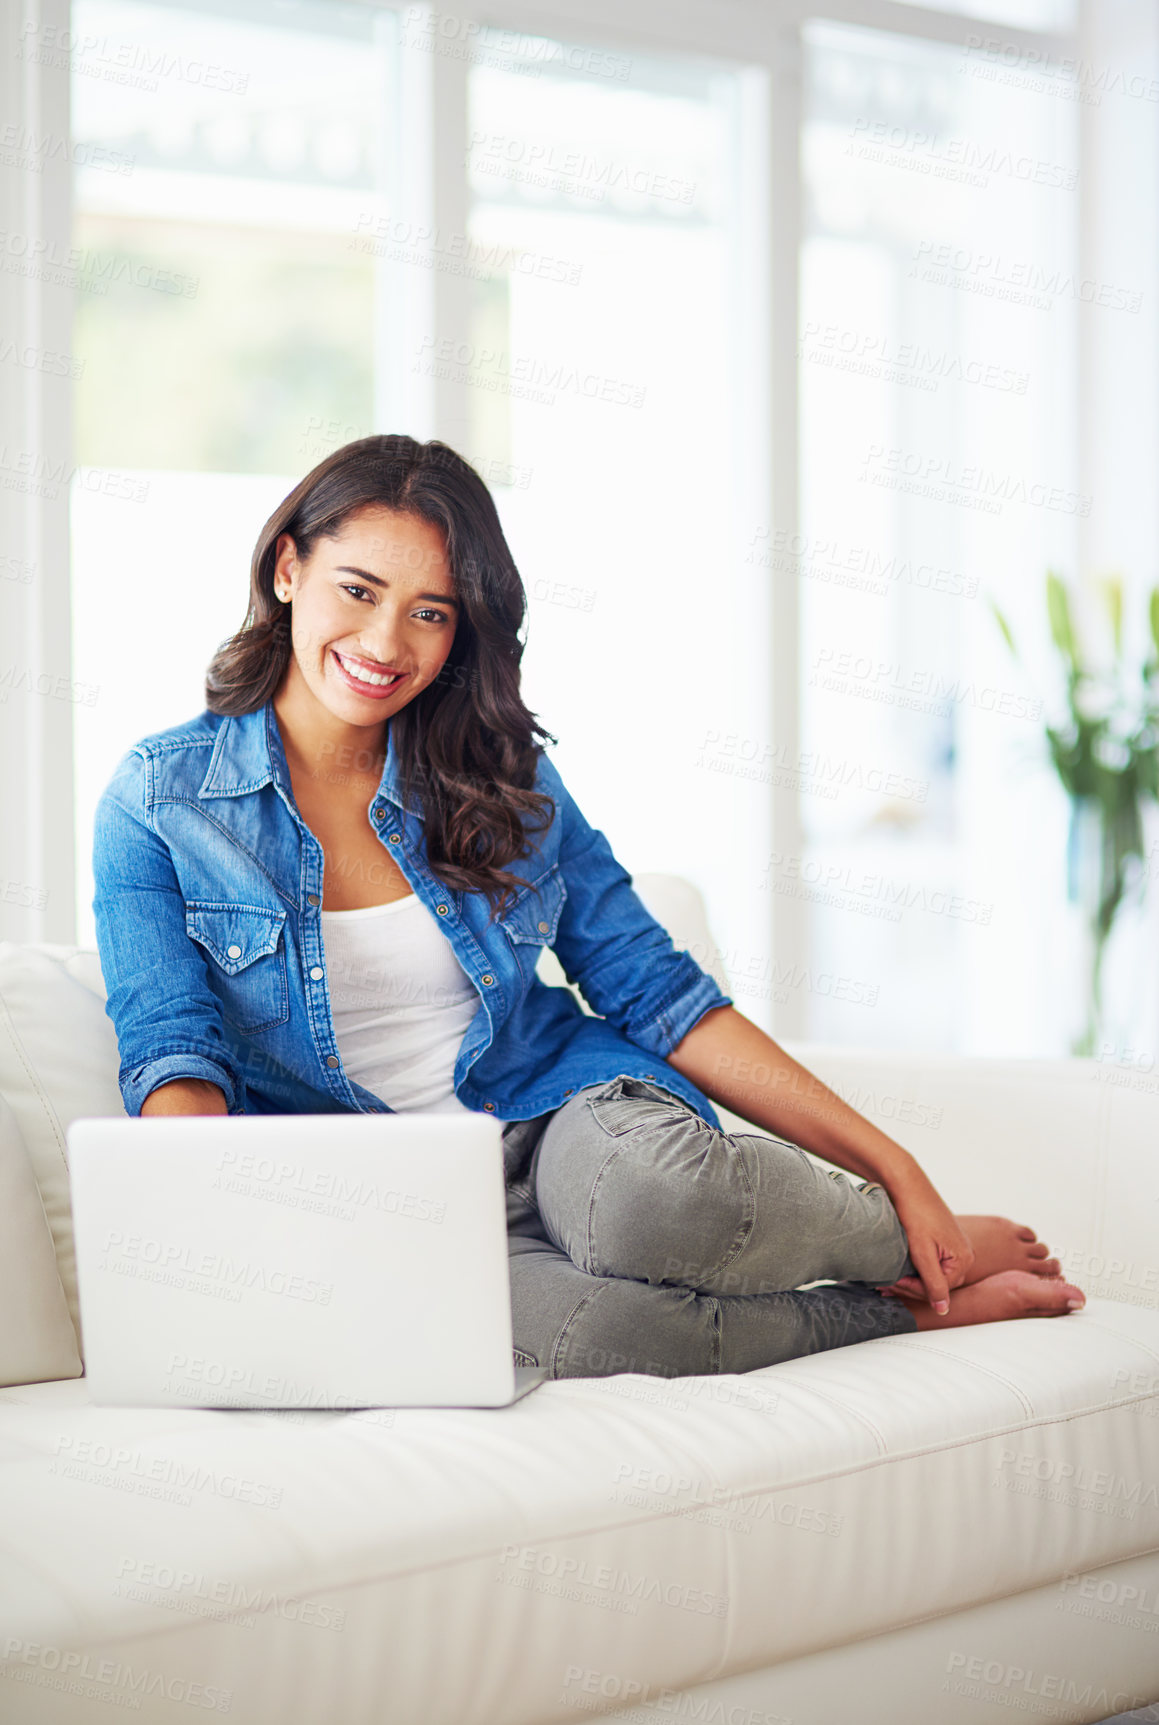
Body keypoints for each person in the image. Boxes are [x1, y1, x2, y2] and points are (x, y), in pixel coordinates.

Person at [91, 434, 1085, 1381]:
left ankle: (913, 1236)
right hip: (390, 1199)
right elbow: (172, 1052)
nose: (385, 642)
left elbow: (656, 992)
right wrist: (227, 1237)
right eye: (359, 590)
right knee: (587, 1330)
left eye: (431, 613)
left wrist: (894, 1165)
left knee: (654, 1204)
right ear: (285, 569)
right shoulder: (159, 801)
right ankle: (909, 1305)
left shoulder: (501, 776)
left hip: (554, 1115)